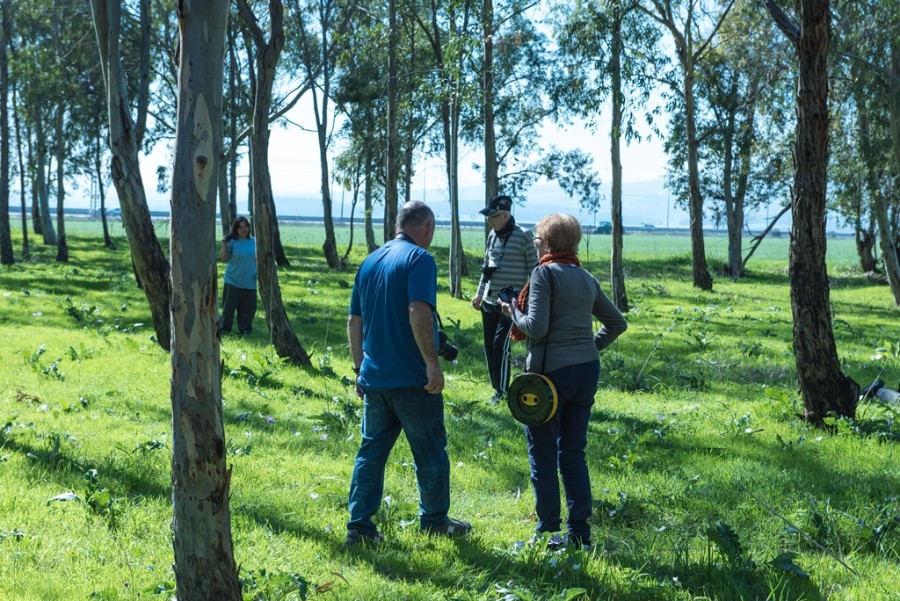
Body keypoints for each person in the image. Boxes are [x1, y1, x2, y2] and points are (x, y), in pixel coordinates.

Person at [345, 200, 471, 545]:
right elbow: (418, 310)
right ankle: (433, 520)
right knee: (430, 452)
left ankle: (359, 527)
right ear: (427, 227)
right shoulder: (420, 259)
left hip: (374, 378)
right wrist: (432, 363)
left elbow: (354, 322)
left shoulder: (370, 260)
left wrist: (359, 368)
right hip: (412, 380)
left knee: (370, 453)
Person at [499, 213, 627, 550]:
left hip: (550, 378)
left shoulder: (542, 273)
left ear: (547, 243)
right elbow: (617, 324)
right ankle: (580, 535)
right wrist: (586, 347)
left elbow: (536, 327)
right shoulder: (585, 277)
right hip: (586, 372)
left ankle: (549, 533)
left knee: (542, 452)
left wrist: (512, 310)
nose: (536, 244)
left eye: (538, 240)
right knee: (572, 453)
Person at [472, 194, 538, 404]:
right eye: (489, 217)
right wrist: (479, 293)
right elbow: (486, 267)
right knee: (489, 347)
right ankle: (496, 387)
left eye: (493, 217)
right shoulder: (492, 235)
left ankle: (501, 392)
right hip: (489, 302)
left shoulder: (524, 236)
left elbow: (535, 272)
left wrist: (528, 301)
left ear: (505, 215)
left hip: (511, 305)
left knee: (500, 346)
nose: (489, 220)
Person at [219, 216, 257, 335]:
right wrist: (224, 244)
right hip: (233, 280)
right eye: (240, 227)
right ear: (236, 229)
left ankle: (245, 330)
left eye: (245, 226)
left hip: (250, 281)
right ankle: (224, 329)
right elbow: (224, 259)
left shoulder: (254, 242)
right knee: (228, 309)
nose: (243, 229)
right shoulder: (232, 242)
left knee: (248, 309)